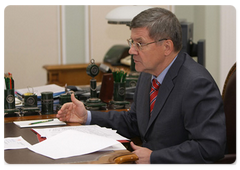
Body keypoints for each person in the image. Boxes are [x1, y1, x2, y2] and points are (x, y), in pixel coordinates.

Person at [56, 7, 226, 164]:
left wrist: (155, 158)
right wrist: (87, 116)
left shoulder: (196, 83)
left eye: (140, 43)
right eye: (131, 42)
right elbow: (134, 121)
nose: (131, 50)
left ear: (166, 46)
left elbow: (210, 147)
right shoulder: (147, 74)